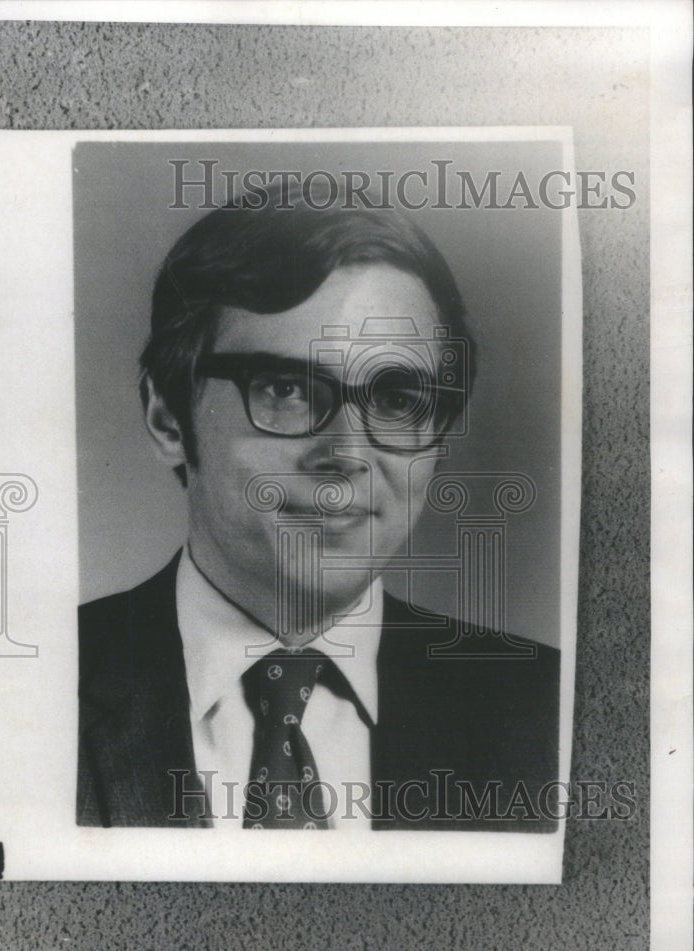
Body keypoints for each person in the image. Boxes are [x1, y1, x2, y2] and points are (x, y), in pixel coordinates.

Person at [76, 183, 559, 831]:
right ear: (168, 417)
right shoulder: (31, 694)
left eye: (396, 400)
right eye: (287, 390)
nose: (347, 453)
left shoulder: (551, 712)